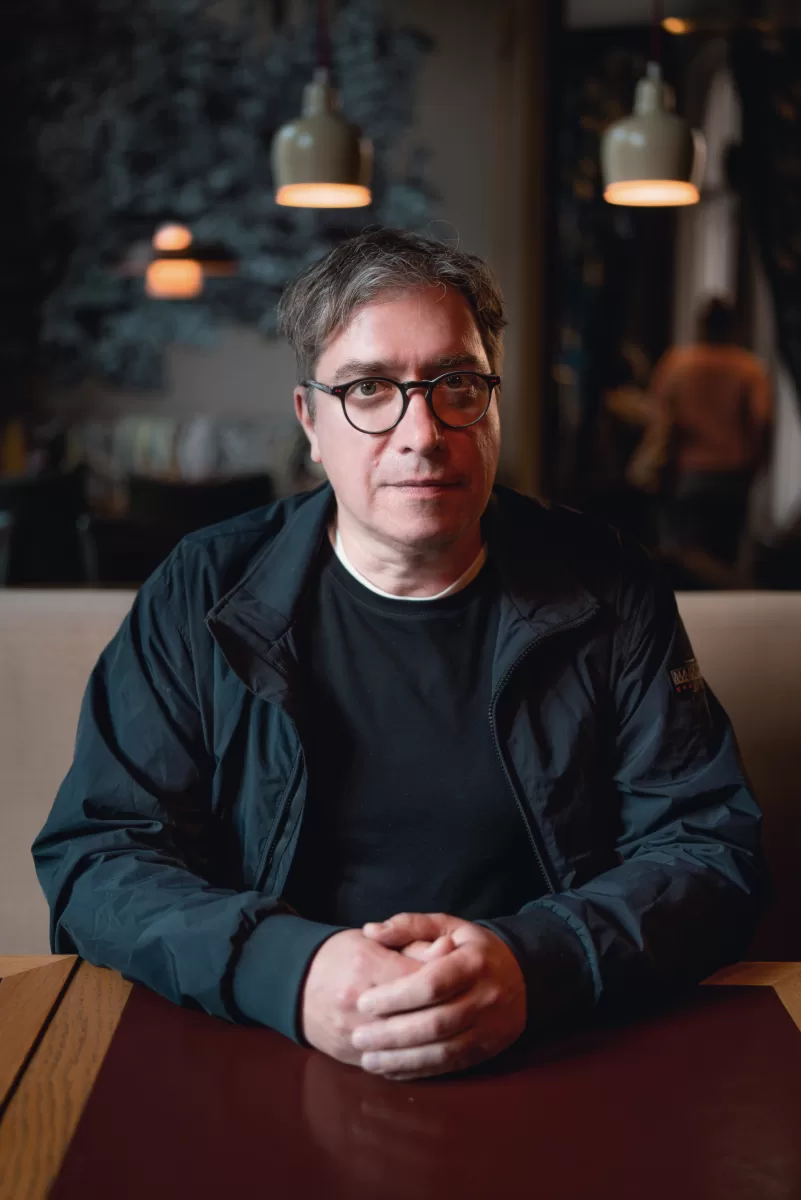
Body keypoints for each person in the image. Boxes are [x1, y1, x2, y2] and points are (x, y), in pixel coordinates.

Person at [32, 230, 765, 1083]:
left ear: (492, 401)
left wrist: (535, 961)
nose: (421, 432)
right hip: (264, 1042)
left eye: (455, 384)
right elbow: (98, 859)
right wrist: (290, 970)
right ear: (310, 419)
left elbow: (711, 850)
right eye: (370, 389)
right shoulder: (202, 590)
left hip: (552, 1042)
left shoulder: (609, 585)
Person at [628, 297, 773, 572]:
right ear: (732, 327)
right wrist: (757, 463)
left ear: (700, 326)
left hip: (685, 472)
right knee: (724, 557)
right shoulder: (749, 368)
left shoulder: (677, 364)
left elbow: (657, 417)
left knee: (682, 556)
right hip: (733, 472)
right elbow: (761, 421)